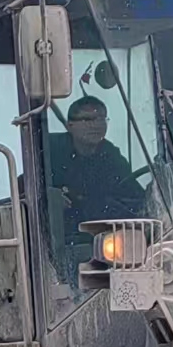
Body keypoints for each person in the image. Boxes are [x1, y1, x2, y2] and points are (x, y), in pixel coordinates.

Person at [48, 96, 148, 283]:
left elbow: (133, 193)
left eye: (101, 119)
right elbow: (26, 188)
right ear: (70, 125)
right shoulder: (50, 149)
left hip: (106, 237)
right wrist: (51, 197)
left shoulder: (110, 154)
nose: (96, 125)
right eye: (87, 119)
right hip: (60, 239)